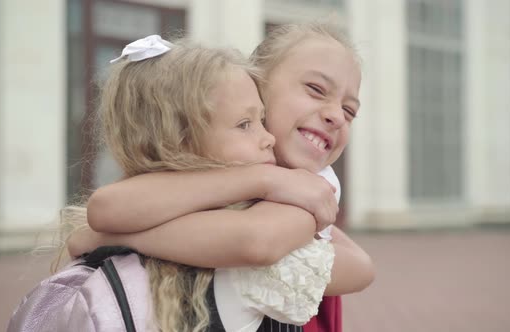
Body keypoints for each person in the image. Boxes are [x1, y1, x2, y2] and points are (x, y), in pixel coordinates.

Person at [70, 22, 375, 332]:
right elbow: (105, 208)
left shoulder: (312, 187)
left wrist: (112, 239)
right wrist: (264, 179)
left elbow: (262, 242)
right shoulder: (246, 172)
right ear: (257, 85)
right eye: (315, 89)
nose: (337, 116)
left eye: (350, 111)